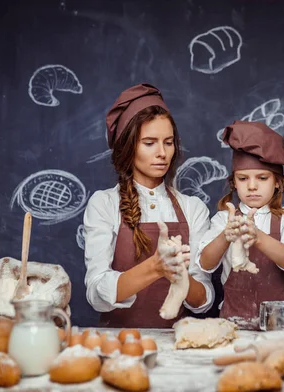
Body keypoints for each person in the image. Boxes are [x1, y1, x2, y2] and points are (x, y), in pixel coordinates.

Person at [83, 83, 214, 328]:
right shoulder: (105, 204)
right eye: (149, 142)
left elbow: (203, 300)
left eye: (168, 142)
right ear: (128, 146)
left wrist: (180, 278)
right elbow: (96, 295)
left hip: (176, 344)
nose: (162, 153)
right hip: (120, 344)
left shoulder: (193, 208)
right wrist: (155, 267)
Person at [196, 120, 284, 329]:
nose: (252, 186)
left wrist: (258, 237)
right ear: (234, 183)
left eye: (262, 178)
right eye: (243, 178)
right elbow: (205, 264)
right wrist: (225, 237)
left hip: (279, 325)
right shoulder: (223, 220)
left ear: (277, 182)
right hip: (233, 322)